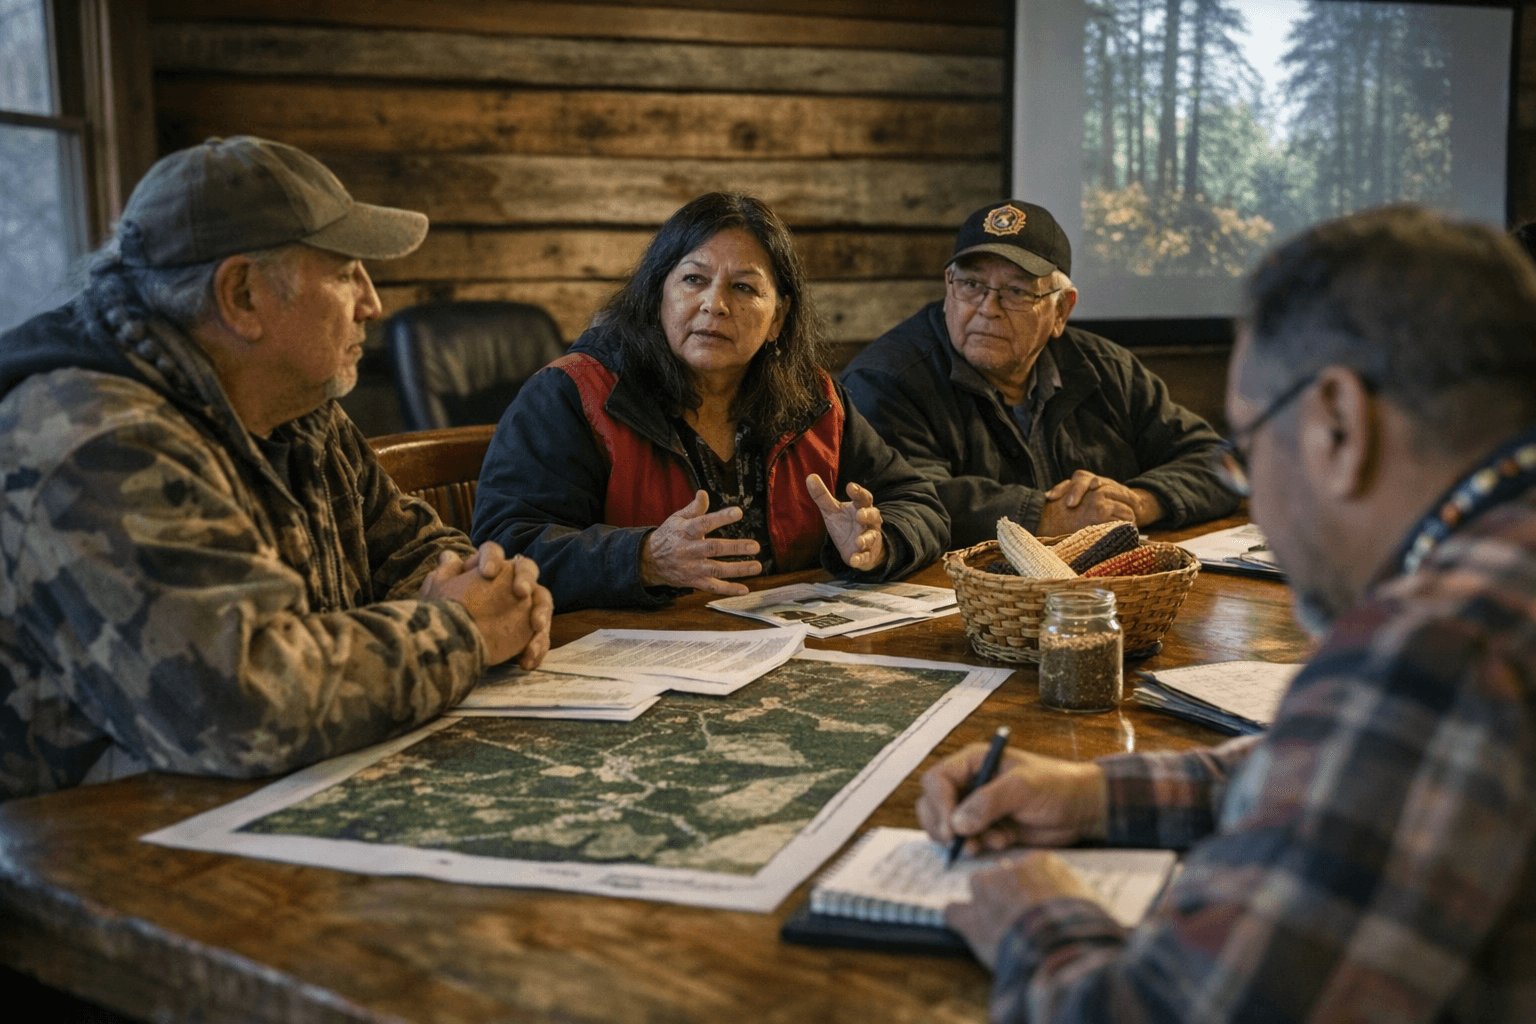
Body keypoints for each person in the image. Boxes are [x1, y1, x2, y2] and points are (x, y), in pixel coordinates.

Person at [916, 205, 1536, 1021]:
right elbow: (1354, 779)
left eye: (1246, 453)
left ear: (1339, 426)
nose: (1255, 496)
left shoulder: (1437, 644)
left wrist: (1033, 916)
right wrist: (1095, 796)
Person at [0, 136, 553, 801]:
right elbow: (244, 702)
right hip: (84, 853)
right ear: (242, 296)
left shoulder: (297, 403)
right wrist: (463, 631)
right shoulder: (93, 440)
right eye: (347, 271)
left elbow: (412, 547)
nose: (373, 303)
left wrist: (489, 589)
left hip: (256, 807)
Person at [472, 191, 949, 611]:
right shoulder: (572, 393)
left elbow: (916, 501)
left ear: (778, 318)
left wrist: (877, 540)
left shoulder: (815, 399)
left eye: (743, 287)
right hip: (629, 668)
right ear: (658, 293)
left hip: (786, 653)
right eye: (694, 280)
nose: (715, 304)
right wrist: (643, 559)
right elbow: (505, 548)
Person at [841, 200, 1237, 546]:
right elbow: (908, 500)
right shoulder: (886, 379)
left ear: (1062, 310)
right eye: (972, 284)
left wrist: (1137, 502)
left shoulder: (1107, 369)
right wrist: (1043, 518)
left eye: (1016, 291)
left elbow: (1221, 463)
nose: (988, 307)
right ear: (949, 286)